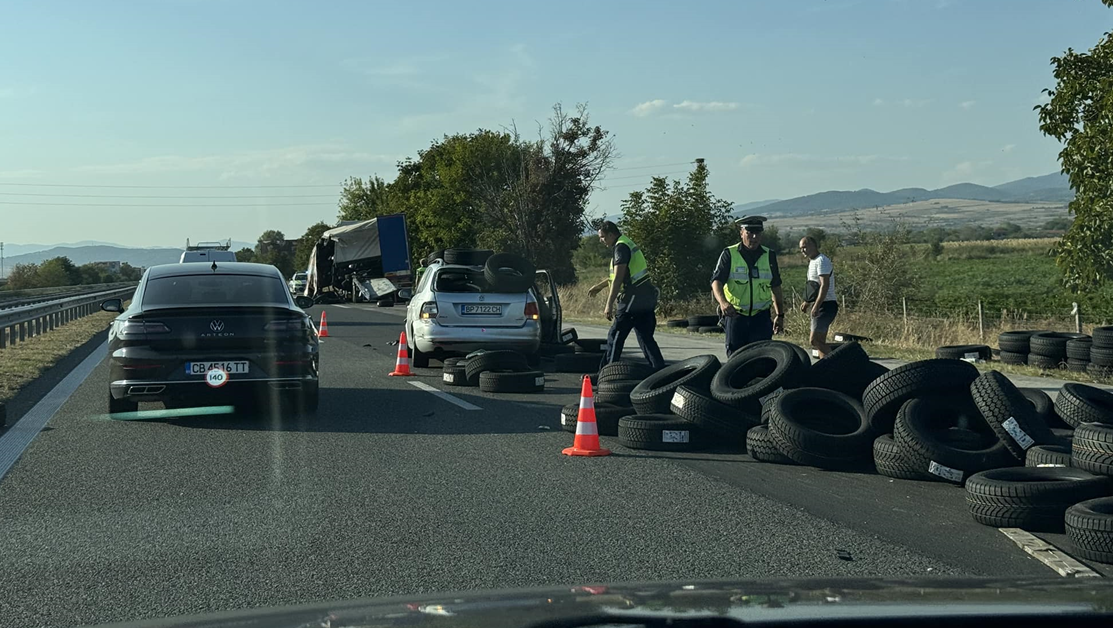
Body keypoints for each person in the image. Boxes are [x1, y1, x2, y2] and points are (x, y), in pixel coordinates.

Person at [586, 221, 666, 371]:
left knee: (616, 335)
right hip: (644, 296)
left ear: (611, 234)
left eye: (602, 237)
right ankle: (659, 371)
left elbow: (618, 278)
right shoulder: (625, 243)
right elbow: (618, 276)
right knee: (645, 337)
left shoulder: (621, 248)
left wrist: (609, 304)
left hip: (633, 297)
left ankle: (607, 373)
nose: (601, 240)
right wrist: (599, 287)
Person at [710, 216, 787, 356]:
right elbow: (716, 281)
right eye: (749, 233)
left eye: (757, 233)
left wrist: (780, 315)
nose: (754, 237)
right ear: (741, 233)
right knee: (736, 358)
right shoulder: (729, 254)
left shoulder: (769, 255)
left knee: (762, 358)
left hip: (761, 318)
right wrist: (723, 303)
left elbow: (776, 286)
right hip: (735, 315)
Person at [799, 236, 839, 358]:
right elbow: (813, 286)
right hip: (820, 304)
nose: (803, 250)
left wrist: (816, 306)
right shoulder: (812, 262)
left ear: (813, 245)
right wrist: (807, 301)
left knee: (814, 340)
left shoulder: (822, 260)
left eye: (805, 247)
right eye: (801, 248)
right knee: (820, 341)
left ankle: (838, 362)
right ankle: (826, 367)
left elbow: (824, 285)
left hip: (826, 305)